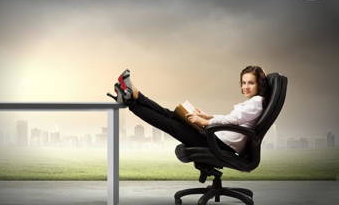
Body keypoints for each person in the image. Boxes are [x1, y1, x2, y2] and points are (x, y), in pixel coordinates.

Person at [106, 66, 269, 154]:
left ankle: (130, 101)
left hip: (218, 144)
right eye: (244, 82)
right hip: (215, 136)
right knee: (170, 114)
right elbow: (233, 118)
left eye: (251, 83)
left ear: (260, 84)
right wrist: (207, 116)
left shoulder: (256, 103)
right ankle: (136, 95)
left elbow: (233, 121)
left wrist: (205, 121)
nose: (245, 87)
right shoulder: (254, 103)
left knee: (168, 123)